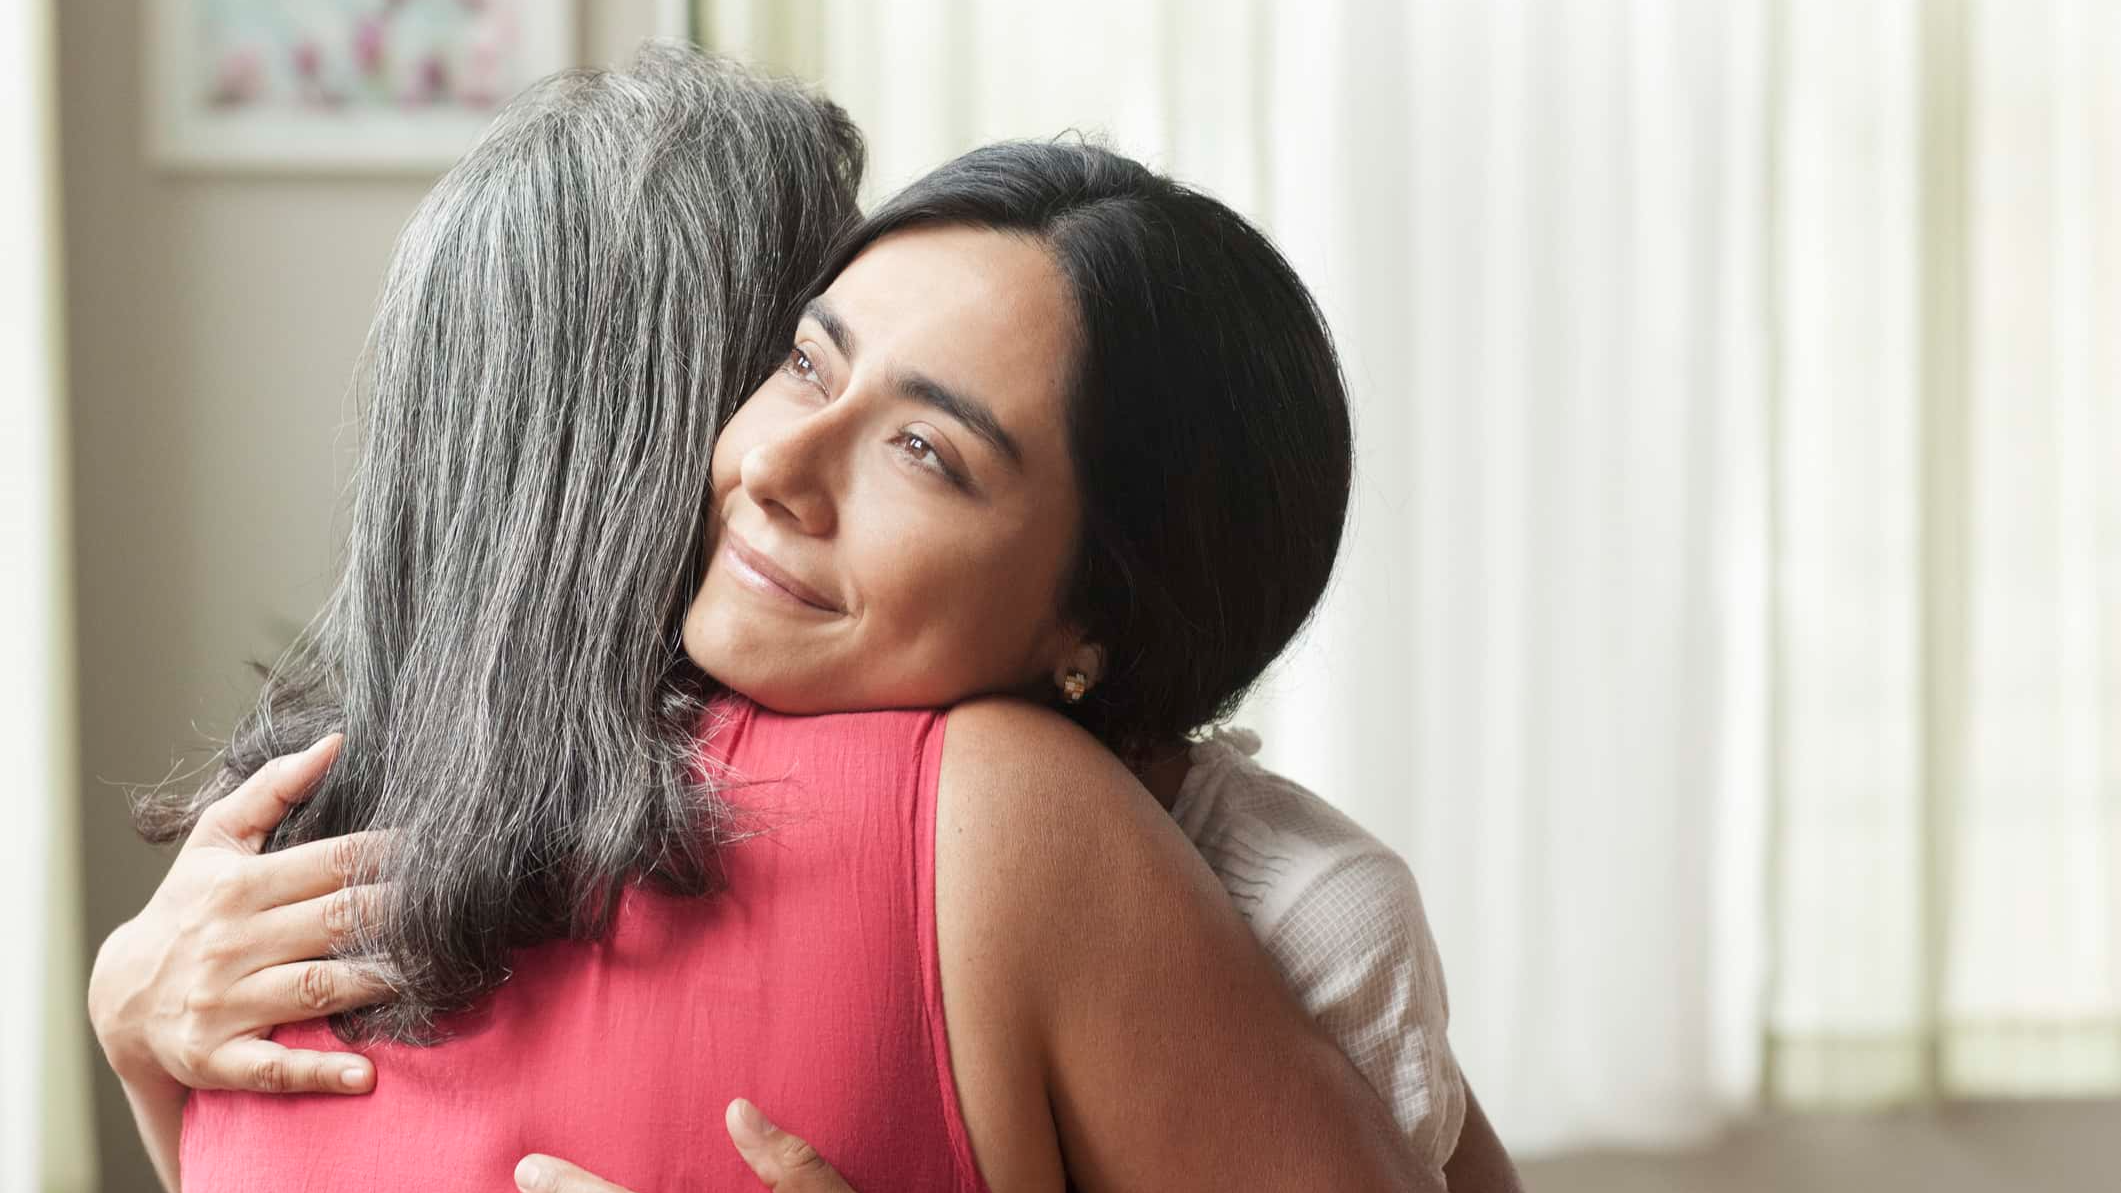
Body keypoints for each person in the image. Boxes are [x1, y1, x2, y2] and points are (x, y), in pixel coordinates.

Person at [87, 42, 1519, 1192]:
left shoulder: (1247, 882)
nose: (771, 467)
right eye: (797, 362)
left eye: (928, 453)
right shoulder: (254, 920)